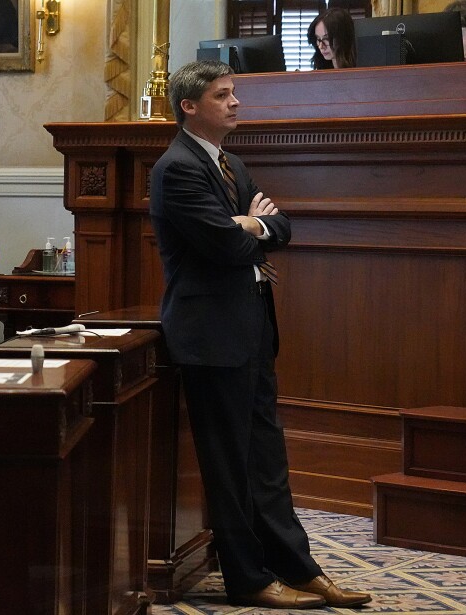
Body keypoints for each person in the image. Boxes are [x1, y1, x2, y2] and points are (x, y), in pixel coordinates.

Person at [149, 60, 371, 609]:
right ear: (190, 107)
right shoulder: (176, 167)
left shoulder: (231, 164)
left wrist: (251, 225)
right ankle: (248, 580)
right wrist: (246, 227)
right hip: (209, 336)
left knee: (266, 460)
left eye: (233, 93)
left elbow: (283, 228)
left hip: (249, 330)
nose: (236, 103)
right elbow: (224, 247)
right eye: (223, 95)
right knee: (229, 466)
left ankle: (297, 567)